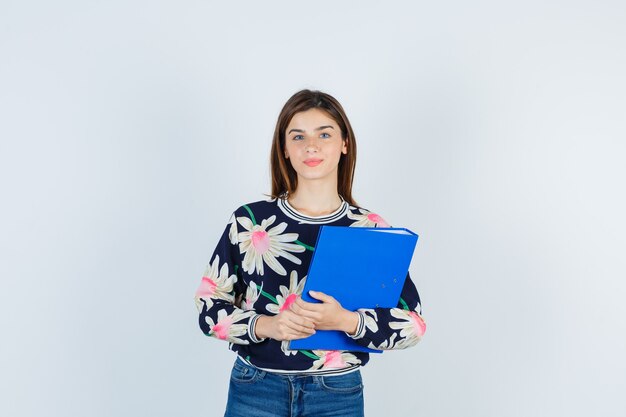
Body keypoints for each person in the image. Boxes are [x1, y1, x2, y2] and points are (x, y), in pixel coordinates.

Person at [194, 89, 427, 417]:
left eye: (325, 134)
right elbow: (208, 306)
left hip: (336, 394)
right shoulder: (250, 221)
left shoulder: (370, 230)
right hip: (255, 388)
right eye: (298, 136)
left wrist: (345, 320)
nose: (311, 145)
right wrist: (267, 326)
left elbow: (413, 325)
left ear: (344, 144)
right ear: (285, 149)